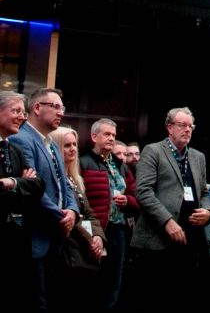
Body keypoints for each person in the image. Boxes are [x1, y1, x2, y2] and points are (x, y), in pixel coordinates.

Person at [131, 106, 210, 312]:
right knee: (158, 299)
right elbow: (143, 192)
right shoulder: (153, 151)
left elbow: (203, 192)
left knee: (185, 298)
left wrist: (208, 212)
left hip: (190, 238)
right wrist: (167, 222)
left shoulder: (198, 156)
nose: (188, 130)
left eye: (191, 126)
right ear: (169, 127)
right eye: (182, 125)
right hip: (158, 239)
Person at [10, 87, 80, 313]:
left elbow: (65, 184)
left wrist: (72, 211)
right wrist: (61, 216)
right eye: (56, 107)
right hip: (36, 236)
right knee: (36, 302)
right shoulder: (22, 140)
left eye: (63, 108)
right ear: (37, 108)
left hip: (57, 237)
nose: (61, 113)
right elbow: (33, 189)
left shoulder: (49, 142)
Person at [0, 91, 44, 310]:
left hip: (18, 239)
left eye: (23, 112)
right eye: (16, 111)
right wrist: (23, 185)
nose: (22, 117)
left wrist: (13, 183)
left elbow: (38, 186)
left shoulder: (14, 149)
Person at [79, 117, 128, 309]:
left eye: (114, 135)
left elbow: (134, 193)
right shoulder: (83, 162)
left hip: (119, 229)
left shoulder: (120, 164)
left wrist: (128, 201)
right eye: (107, 134)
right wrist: (90, 231)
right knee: (92, 281)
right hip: (95, 230)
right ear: (94, 136)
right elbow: (79, 199)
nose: (111, 139)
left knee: (114, 282)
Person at [54, 126, 106, 285]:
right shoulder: (56, 179)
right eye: (67, 145)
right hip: (67, 249)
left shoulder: (75, 178)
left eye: (75, 144)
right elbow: (69, 217)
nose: (73, 149)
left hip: (84, 248)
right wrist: (90, 240)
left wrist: (98, 236)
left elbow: (89, 212)